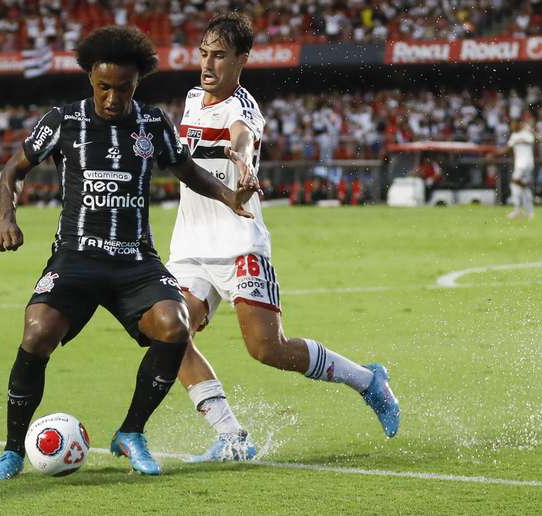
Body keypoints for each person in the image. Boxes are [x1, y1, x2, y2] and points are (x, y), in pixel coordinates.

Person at [0, 25, 256, 480]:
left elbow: (186, 170)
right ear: (90, 77)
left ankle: (132, 433)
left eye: (123, 88)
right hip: (76, 258)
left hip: (135, 261)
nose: (112, 97)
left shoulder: (152, 124)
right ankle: (11, 451)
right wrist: (7, 217)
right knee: (37, 332)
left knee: (175, 326)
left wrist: (229, 197)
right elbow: (13, 170)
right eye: (104, 87)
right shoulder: (63, 120)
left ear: (137, 83)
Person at [167, 12, 401, 463]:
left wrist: (243, 164)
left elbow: (242, 139)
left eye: (219, 56)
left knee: (267, 349)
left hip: (238, 246)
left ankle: (368, 381)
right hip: (189, 248)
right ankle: (233, 438)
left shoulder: (244, 108)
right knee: (170, 336)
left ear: (242, 60)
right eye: (204, 54)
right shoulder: (193, 98)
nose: (208, 64)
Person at [490, 120, 535, 220]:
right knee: (522, 187)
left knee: (514, 183)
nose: (512, 126)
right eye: (511, 125)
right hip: (520, 164)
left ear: (519, 124)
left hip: (525, 164)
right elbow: (506, 149)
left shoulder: (526, 133)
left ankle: (517, 210)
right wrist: (494, 153)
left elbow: (533, 140)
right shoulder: (514, 136)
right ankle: (529, 212)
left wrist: (526, 136)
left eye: (513, 124)